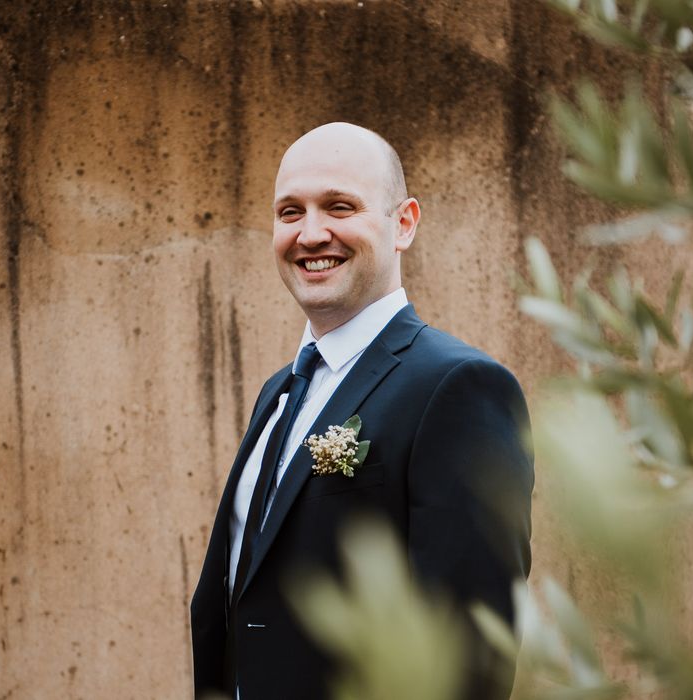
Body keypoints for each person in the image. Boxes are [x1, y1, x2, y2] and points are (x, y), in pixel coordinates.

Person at [190, 122, 534, 699]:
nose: (310, 233)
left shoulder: (460, 387)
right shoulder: (279, 392)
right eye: (290, 212)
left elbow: (469, 651)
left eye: (339, 207)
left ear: (403, 224)